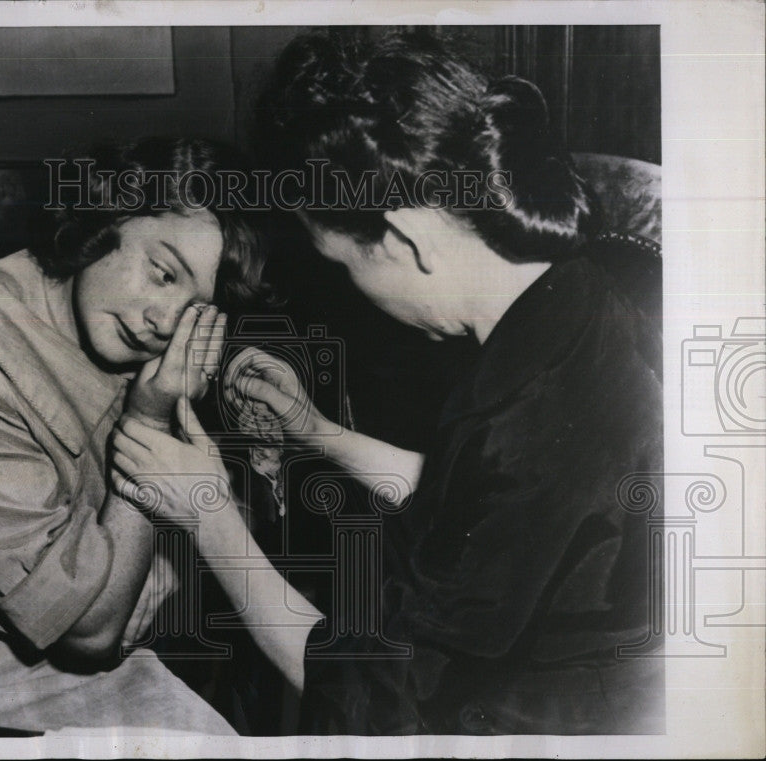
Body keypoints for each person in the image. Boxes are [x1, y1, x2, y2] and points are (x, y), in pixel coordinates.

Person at [110, 29, 663, 735]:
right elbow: (480, 506)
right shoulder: (577, 306)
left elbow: (369, 697)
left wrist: (208, 515)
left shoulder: (525, 411)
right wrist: (318, 431)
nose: (353, 287)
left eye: (345, 265)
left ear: (404, 241)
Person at [0, 137, 270, 734]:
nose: (166, 322)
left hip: (61, 646)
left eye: (195, 309)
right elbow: (88, 632)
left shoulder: (118, 334)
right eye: (162, 273)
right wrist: (148, 426)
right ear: (104, 221)